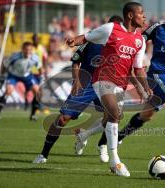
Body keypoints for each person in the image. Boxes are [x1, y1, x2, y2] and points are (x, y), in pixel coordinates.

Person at [97, 0, 165, 159]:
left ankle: (111, 139)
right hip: (156, 75)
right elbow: (135, 39)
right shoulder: (158, 28)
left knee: (146, 116)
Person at [66, 2, 151, 177]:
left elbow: (138, 68)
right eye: (141, 13)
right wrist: (75, 40)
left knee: (115, 117)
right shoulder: (111, 29)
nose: (144, 17)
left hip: (120, 84)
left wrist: (145, 87)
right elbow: (88, 36)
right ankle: (115, 162)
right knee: (113, 112)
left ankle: (84, 135)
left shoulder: (140, 40)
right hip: (102, 79)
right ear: (130, 15)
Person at [32, 15, 124, 164]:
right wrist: (76, 81)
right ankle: (43, 154)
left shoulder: (123, 45)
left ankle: (101, 145)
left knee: (113, 118)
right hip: (86, 85)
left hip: (106, 85)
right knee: (62, 119)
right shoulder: (92, 40)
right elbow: (76, 61)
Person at [0, 42, 41, 121]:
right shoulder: (15, 56)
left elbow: (39, 68)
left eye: (30, 50)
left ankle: (33, 115)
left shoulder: (35, 57)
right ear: (22, 49)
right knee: (8, 91)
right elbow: (5, 65)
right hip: (13, 75)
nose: (28, 51)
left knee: (37, 91)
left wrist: (41, 76)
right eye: (26, 49)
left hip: (27, 76)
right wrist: (1, 77)